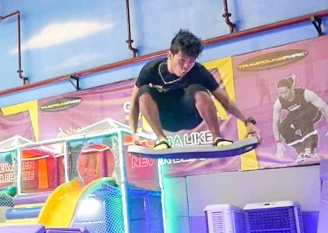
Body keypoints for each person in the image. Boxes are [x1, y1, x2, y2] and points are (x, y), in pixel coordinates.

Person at [129, 30, 261, 150]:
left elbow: (225, 100)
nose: (186, 66)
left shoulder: (198, 71)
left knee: (197, 89)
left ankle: (217, 138)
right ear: (170, 54)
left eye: (191, 61)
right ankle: (162, 140)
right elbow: (134, 104)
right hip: (164, 119)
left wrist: (247, 121)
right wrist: (133, 134)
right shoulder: (150, 70)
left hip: (190, 116)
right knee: (144, 91)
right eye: (182, 60)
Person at [272, 76, 328, 163]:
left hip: (312, 113)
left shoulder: (305, 94)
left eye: (285, 92)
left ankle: (310, 148)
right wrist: (278, 142)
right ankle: (301, 150)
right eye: (280, 93)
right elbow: (275, 123)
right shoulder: (279, 102)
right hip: (295, 116)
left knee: (302, 117)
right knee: (283, 127)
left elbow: (324, 107)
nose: (283, 95)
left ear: (291, 88)